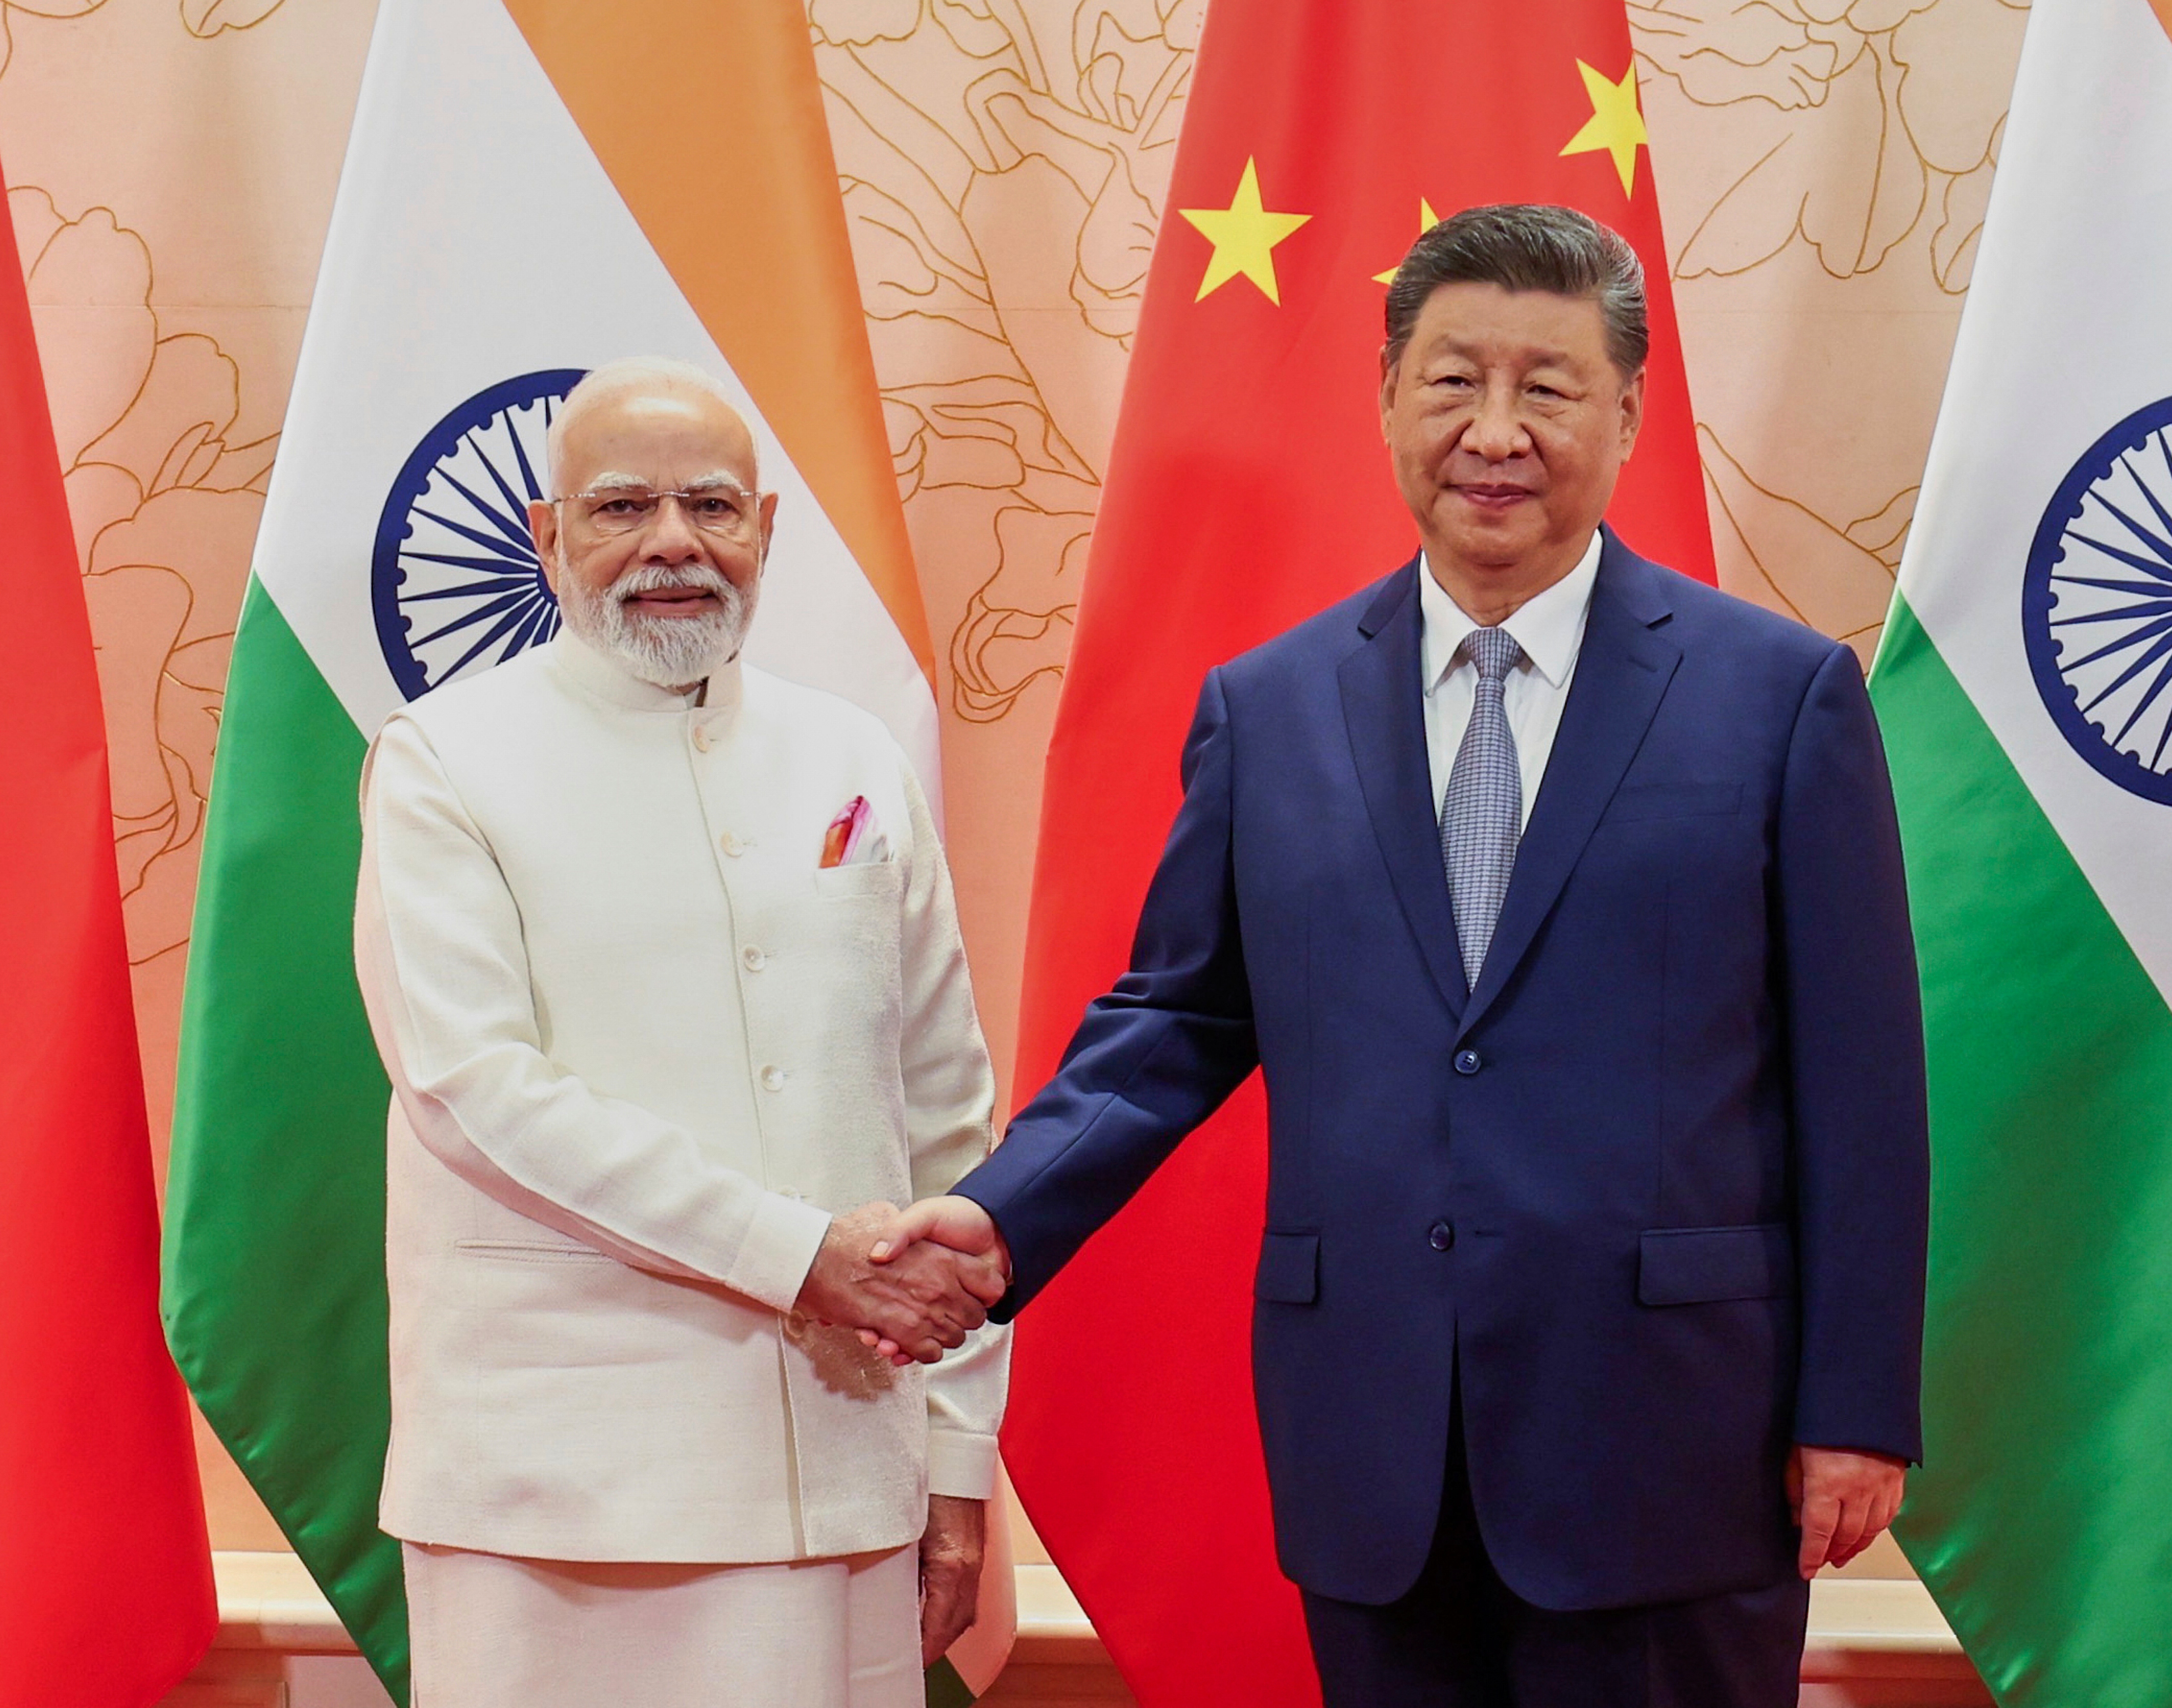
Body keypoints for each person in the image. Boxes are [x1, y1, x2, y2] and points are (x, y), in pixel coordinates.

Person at [868, 205, 1928, 1706]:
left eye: (1547, 388)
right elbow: (1174, 1018)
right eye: (1450, 382)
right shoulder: (1271, 705)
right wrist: (996, 1223)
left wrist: (1855, 1408)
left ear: (1624, 413)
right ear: (1384, 400)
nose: (1494, 431)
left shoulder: (1778, 699)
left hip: (1672, 1447)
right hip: (1372, 1444)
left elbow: (1863, 1091)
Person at [353, 358, 1009, 1708]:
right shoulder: (444, 760)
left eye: (710, 506)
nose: (671, 543)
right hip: (558, 1495)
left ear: (765, 530)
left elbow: (946, 1119)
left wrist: (955, 1460)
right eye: (621, 507)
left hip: (841, 1470)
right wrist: (795, 1255)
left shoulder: (852, 763)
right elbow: (473, 1088)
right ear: (548, 538)